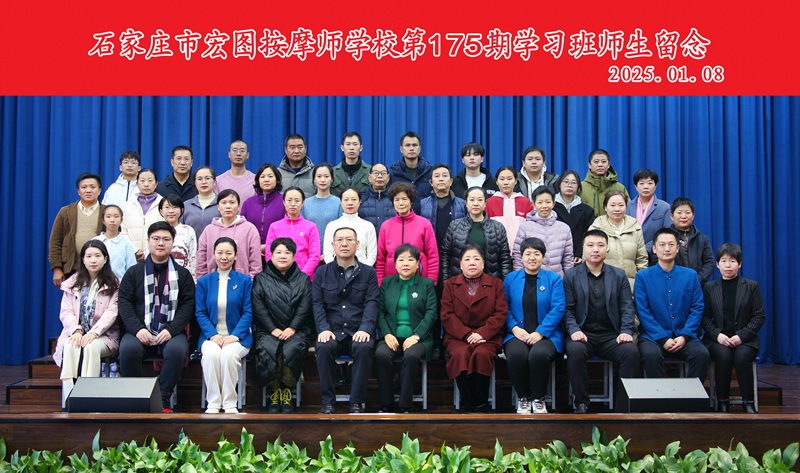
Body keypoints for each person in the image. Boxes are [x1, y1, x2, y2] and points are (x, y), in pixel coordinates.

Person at [118, 222, 196, 412]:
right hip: (140, 329)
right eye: (156, 239)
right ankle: (138, 396)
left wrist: (171, 330)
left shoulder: (183, 274)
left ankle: (162, 397)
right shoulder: (133, 273)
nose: (161, 243)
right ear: (148, 241)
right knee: (127, 350)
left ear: (172, 243)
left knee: (177, 351)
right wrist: (138, 329)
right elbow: (125, 304)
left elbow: (187, 306)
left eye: (166, 239)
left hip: (171, 330)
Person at [563, 230, 639, 414]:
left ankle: (623, 407)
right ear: (583, 249)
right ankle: (581, 403)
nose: (595, 249)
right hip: (583, 333)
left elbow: (627, 306)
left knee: (631, 352)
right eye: (590, 245)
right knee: (575, 350)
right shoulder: (571, 276)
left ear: (607, 249)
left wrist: (626, 331)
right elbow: (567, 310)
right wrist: (574, 330)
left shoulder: (618, 275)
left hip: (611, 335)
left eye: (600, 245)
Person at [313, 227, 380, 414]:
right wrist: (323, 329)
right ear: (333, 245)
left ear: (357, 244)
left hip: (358, 330)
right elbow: (317, 304)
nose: (344, 243)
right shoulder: (321, 272)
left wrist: (365, 329)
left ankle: (357, 402)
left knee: (364, 347)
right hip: (332, 330)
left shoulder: (369, 273)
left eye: (349, 240)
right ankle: (328, 402)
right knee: (324, 347)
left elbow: (372, 303)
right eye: (340, 240)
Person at [635, 228, 709, 381]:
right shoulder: (643, 276)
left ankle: (690, 396)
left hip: (684, 336)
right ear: (654, 249)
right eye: (662, 245)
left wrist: (685, 336)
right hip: (653, 338)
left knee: (701, 354)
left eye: (671, 244)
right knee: (650, 355)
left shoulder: (690, 275)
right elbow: (643, 311)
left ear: (677, 248)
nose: (667, 249)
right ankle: (661, 395)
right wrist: (663, 339)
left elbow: (697, 308)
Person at [441, 245, 508, 412]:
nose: (472, 263)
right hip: (458, 336)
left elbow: (500, 313)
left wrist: (482, 333)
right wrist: (466, 334)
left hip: (488, 336)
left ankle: (481, 401)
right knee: (460, 354)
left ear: (483, 263)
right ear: (460, 264)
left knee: (481, 354)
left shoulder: (495, 283)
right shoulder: (450, 285)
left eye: (476, 259)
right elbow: (447, 315)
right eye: (467, 259)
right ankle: (466, 401)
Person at [503, 238, 565, 414]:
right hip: (517, 334)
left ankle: (538, 398)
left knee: (539, 355)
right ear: (521, 257)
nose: (532, 258)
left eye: (537, 254)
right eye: (528, 253)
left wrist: (540, 332)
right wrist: (514, 328)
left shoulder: (553, 279)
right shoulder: (510, 279)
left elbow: (558, 308)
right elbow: (503, 307)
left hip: (547, 335)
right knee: (516, 354)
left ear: (543, 257)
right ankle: (523, 398)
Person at [55, 240, 120, 408]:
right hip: (77, 333)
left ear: (105, 259)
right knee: (70, 345)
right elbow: (66, 312)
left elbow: (112, 313)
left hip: (104, 336)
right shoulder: (72, 283)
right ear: (83, 259)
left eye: (97, 256)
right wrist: (76, 331)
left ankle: (88, 396)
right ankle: (68, 397)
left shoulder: (114, 283)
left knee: (91, 347)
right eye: (89, 256)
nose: (93, 260)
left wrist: (93, 333)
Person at [701, 243, 765, 414]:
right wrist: (718, 335)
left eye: (732, 261)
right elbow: (704, 317)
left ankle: (748, 402)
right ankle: (722, 402)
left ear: (740, 264)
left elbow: (759, 316)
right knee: (723, 356)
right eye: (723, 261)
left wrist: (741, 336)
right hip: (717, 340)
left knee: (742, 356)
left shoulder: (751, 286)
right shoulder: (710, 288)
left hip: (745, 340)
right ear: (717, 264)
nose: (728, 265)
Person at [375, 244, 438, 413]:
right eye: (401, 260)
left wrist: (416, 336)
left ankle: (405, 405)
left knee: (411, 356)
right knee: (381, 355)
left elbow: (431, 314)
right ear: (395, 264)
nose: (405, 263)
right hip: (391, 336)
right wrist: (387, 334)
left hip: (419, 338)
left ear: (418, 264)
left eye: (410, 259)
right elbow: (380, 312)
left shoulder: (426, 284)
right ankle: (386, 404)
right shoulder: (387, 283)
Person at [252, 237, 312, 414]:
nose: (283, 256)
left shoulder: (303, 279)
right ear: (270, 255)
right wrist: (273, 329)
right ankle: (274, 391)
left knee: (291, 349)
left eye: (287, 252)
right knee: (268, 348)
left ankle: (287, 391)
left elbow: (305, 306)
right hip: (268, 330)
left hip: (296, 330)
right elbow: (258, 307)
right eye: (278, 252)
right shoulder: (261, 278)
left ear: (294, 256)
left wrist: (292, 328)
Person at [195, 236, 253, 414]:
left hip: (238, 337)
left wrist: (234, 336)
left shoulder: (244, 281)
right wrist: (213, 335)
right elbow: (200, 312)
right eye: (220, 253)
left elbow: (248, 312)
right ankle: (213, 402)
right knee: (211, 355)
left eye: (228, 253)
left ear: (235, 256)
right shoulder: (204, 282)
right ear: (213, 255)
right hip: (211, 336)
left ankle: (229, 403)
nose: (224, 257)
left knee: (228, 355)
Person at [441, 187, 511, 281]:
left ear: (485, 203)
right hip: (459, 283)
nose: (476, 203)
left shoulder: (498, 227)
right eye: (472, 200)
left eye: (480, 200)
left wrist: (505, 284)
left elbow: (504, 259)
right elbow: (446, 256)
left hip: (490, 282)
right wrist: (446, 282)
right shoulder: (454, 226)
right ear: (466, 203)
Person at [376, 183, 439, 285]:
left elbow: (433, 256)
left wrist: (431, 283)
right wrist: (381, 283)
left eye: (404, 199)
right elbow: (380, 259)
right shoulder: (386, 226)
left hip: (419, 282)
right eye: (397, 200)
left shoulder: (424, 224)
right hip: (392, 282)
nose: (401, 203)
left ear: (411, 201)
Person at [50, 172, 105, 287]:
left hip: (100, 268)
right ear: (78, 191)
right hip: (72, 267)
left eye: (92, 187)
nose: (88, 190)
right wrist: (56, 268)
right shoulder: (66, 212)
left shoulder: (106, 212)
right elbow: (55, 241)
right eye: (84, 187)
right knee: (73, 298)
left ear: (99, 190)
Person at [588, 190, 648, 289]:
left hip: (630, 286)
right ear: (605, 207)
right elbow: (587, 259)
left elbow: (642, 260)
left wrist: (640, 284)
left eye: (621, 205)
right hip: (602, 287)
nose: (617, 209)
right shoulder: (596, 227)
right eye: (612, 205)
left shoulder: (635, 228)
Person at [196, 189, 262, 279]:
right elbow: (201, 261)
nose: (228, 206)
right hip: (213, 281)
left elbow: (255, 262)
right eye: (223, 203)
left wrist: (251, 281)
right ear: (218, 207)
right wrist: (203, 281)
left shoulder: (250, 229)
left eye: (232, 202)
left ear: (238, 206)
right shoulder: (209, 230)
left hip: (242, 281)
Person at [513, 186, 574, 276]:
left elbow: (568, 259)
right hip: (531, 278)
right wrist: (520, 277)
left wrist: (569, 279)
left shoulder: (564, 228)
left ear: (553, 203)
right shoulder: (525, 227)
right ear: (533, 204)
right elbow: (518, 256)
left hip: (557, 278)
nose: (544, 206)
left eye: (548, 202)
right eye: (540, 202)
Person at [265, 187, 321, 280]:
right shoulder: (274, 227)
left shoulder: (311, 227)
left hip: (304, 279)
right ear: (284, 202)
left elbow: (314, 256)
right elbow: (269, 254)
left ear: (303, 203)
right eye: (289, 200)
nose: (293, 204)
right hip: (279, 278)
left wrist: (302, 276)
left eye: (297, 200)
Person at [418, 163, 467, 266]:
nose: (441, 179)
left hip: (456, 256)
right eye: (437, 176)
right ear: (431, 182)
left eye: (444, 176)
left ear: (451, 181)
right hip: (430, 256)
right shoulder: (422, 204)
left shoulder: (462, 204)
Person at [668, 197, 715, 286]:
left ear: (693, 215)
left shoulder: (702, 239)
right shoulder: (664, 238)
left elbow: (709, 263)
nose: (683, 216)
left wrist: (697, 280)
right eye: (679, 213)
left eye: (687, 212)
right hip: (671, 285)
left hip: (697, 286)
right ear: (671, 216)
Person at [323, 188, 377, 265]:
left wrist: (364, 270)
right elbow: (327, 253)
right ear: (341, 202)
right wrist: (335, 270)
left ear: (360, 201)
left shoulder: (368, 226)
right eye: (346, 200)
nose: (350, 203)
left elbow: (372, 254)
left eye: (354, 199)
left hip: (362, 270)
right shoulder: (332, 226)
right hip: (336, 270)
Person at [241, 163, 285, 256]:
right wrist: (256, 247)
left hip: (278, 253)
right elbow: (242, 230)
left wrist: (268, 247)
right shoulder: (248, 203)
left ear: (277, 179)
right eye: (262, 176)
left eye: (270, 176)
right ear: (258, 180)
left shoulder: (284, 202)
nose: (266, 179)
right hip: (251, 252)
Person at [486, 166, 533, 253]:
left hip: (521, 251)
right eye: (502, 179)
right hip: (496, 251)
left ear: (516, 181)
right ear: (496, 182)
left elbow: (531, 228)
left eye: (510, 179)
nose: (506, 182)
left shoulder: (525, 202)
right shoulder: (489, 202)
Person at [121, 169, 164, 262]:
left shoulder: (164, 205)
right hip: (131, 256)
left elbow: (165, 231)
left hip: (156, 255)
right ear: (137, 183)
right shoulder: (127, 205)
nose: (146, 184)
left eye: (150, 180)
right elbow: (123, 231)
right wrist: (135, 250)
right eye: (142, 181)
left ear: (156, 184)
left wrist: (149, 252)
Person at [553, 170, 595, 265]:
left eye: (574, 183)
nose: (569, 185)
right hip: (554, 256)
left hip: (577, 258)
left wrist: (580, 253)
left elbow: (587, 234)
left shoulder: (587, 211)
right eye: (566, 182)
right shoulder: (551, 208)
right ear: (559, 184)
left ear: (578, 186)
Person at [626, 169, 671, 250]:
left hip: (655, 252)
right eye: (641, 183)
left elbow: (667, 233)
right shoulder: (627, 206)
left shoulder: (665, 207)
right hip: (630, 251)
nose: (646, 187)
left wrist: (646, 249)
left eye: (650, 183)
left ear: (655, 186)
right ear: (636, 187)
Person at [302, 163, 342, 252]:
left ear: (332, 179)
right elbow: (302, 230)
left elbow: (341, 231)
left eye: (326, 176)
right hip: (310, 252)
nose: (322, 180)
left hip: (334, 253)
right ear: (314, 179)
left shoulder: (339, 203)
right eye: (319, 176)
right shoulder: (305, 204)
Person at [92, 205, 137, 282]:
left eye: (116, 217)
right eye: (108, 217)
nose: (112, 220)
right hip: (97, 284)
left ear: (121, 220)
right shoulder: (95, 241)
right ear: (103, 220)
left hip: (119, 285)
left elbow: (131, 268)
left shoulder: (126, 243)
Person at [579, 149, 629, 216]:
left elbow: (628, 211)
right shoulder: (580, 187)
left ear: (608, 165)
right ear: (589, 165)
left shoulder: (620, 187)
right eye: (596, 162)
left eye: (603, 162)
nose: (600, 165)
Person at [159, 195, 197, 281]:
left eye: (175, 207)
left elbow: (193, 257)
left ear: (181, 210)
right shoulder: (156, 230)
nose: (171, 211)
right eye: (167, 207)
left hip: (183, 277)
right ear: (161, 211)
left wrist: (193, 280)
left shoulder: (188, 230)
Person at [389, 131, 434, 199]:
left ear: (419, 149)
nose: (411, 148)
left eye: (414, 145)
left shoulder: (430, 172)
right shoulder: (393, 173)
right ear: (401, 149)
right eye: (407, 145)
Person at [181, 166, 220, 241]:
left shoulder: (222, 204)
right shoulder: (186, 205)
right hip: (191, 247)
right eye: (199, 179)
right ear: (194, 182)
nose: (203, 182)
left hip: (216, 247)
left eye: (207, 178)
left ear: (214, 181)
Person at [331, 131, 371, 197]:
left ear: (361, 148)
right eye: (348, 144)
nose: (351, 148)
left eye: (355, 144)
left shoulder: (370, 171)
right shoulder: (333, 172)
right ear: (342, 148)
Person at [359, 163, 395, 234]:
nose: (379, 176)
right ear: (369, 177)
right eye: (376, 173)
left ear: (388, 178)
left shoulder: (395, 198)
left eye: (383, 173)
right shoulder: (361, 198)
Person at [277, 134, 315, 198]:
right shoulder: (277, 174)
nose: (296, 151)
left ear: (305, 149)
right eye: (292, 147)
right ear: (285, 150)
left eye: (300, 147)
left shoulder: (315, 173)